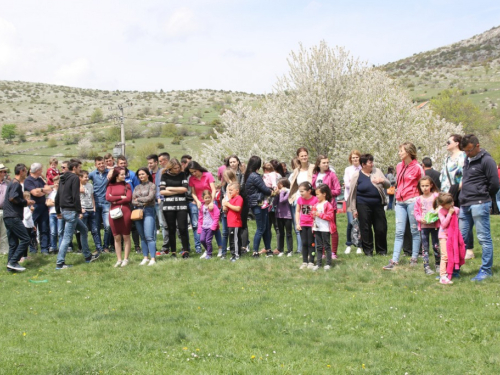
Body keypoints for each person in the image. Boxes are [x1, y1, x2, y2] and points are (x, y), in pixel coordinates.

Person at [458, 134, 499, 281]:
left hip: (480, 203)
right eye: (465, 151)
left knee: (483, 238)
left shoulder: (487, 160)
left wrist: (483, 195)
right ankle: (454, 270)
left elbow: (495, 184)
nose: (467, 153)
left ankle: (486, 270)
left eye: (469, 150)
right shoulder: (467, 160)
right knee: (460, 238)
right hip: (465, 204)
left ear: (477, 146)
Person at [384, 142, 423, 270]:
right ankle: (394, 260)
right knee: (399, 231)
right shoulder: (399, 166)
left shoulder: (417, 167)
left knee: (414, 230)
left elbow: (423, 183)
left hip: (412, 200)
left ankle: (414, 257)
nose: (399, 153)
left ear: (408, 152)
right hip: (400, 202)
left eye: (401, 150)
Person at [55, 160, 99, 270]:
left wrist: (58, 211)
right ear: (74, 168)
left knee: (84, 230)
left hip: (64, 210)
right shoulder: (74, 178)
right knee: (67, 237)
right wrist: (79, 211)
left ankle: (88, 256)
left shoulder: (62, 178)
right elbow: (75, 196)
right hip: (71, 211)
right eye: (79, 167)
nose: (80, 169)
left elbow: (57, 196)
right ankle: (60, 263)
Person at [439, 134, 474, 259]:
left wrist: (457, 188)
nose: (447, 144)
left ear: (457, 143)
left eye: (449, 141)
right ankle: (453, 246)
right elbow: (443, 176)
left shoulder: (464, 157)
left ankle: (468, 248)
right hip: (447, 192)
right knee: (450, 218)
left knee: (463, 219)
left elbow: (466, 175)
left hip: (459, 191)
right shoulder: (447, 159)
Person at [347, 154, 390, 257]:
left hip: (378, 204)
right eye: (370, 162)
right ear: (363, 164)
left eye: (372, 162)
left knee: (381, 228)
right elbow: (352, 193)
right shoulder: (357, 175)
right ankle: (368, 251)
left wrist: (382, 181)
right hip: (363, 204)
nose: (372, 164)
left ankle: (382, 251)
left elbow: (388, 184)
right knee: (365, 228)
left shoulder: (377, 171)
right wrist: (353, 209)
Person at [4, 164, 34, 272]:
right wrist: (26, 202)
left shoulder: (12, 182)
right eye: (26, 171)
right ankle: (13, 262)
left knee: (13, 243)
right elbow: (12, 198)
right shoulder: (16, 184)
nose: (26, 173)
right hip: (13, 217)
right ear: (21, 171)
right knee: (25, 239)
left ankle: (10, 266)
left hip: (7, 217)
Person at [187, 161, 221, 254]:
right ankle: (207, 249)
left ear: (198, 168)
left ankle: (220, 248)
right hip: (201, 204)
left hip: (211, 201)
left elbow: (213, 189)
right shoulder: (191, 179)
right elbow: (193, 193)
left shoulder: (208, 175)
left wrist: (212, 202)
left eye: (195, 171)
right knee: (203, 225)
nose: (194, 174)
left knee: (215, 226)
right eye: (191, 172)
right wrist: (197, 201)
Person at [312, 155, 341, 259]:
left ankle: (333, 252)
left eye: (327, 162)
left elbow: (338, 190)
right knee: (320, 228)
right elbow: (313, 191)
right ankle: (323, 252)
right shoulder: (315, 176)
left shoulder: (331, 175)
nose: (326, 164)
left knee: (332, 228)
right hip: (318, 206)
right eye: (324, 163)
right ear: (318, 164)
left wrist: (326, 193)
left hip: (329, 205)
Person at [160, 158, 190, 258]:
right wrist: (178, 190)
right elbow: (162, 191)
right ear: (170, 168)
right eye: (175, 168)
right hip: (168, 206)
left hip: (182, 205)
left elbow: (185, 189)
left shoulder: (182, 174)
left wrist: (169, 188)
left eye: (178, 167)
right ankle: (173, 252)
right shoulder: (164, 176)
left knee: (182, 228)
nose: (177, 169)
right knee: (171, 229)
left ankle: (186, 251)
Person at [245, 155, 273, 257]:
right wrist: (271, 191)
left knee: (265, 228)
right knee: (261, 228)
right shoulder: (255, 176)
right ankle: (255, 251)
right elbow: (265, 190)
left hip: (259, 204)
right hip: (258, 204)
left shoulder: (250, 175)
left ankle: (268, 249)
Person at [24, 163, 54, 255]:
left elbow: (48, 189)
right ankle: (33, 249)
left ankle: (45, 248)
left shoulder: (40, 179)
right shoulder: (28, 180)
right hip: (33, 207)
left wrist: (40, 190)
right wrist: (42, 191)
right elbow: (34, 193)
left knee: (44, 227)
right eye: (41, 170)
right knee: (33, 228)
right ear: (37, 171)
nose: (42, 171)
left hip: (43, 206)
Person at [288, 148, 315, 254]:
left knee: (309, 225)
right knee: (298, 225)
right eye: (302, 156)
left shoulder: (313, 168)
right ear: (298, 157)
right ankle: (300, 249)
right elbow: (293, 185)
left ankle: (312, 248)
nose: (304, 157)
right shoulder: (296, 171)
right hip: (298, 200)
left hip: (309, 200)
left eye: (305, 155)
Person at [413, 176, 441, 275]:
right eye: (422, 186)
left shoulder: (436, 196)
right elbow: (416, 212)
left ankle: (438, 265)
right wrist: (420, 219)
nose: (425, 188)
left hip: (435, 226)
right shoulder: (418, 199)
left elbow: (440, 208)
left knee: (436, 246)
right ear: (420, 187)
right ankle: (426, 266)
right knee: (425, 247)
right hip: (424, 226)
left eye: (427, 185)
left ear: (431, 185)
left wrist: (437, 215)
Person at [436, 193, 464, 285]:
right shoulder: (441, 211)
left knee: (453, 254)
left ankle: (450, 272)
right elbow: (443, 224)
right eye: (449, 203)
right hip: (444, 236)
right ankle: (443, 276)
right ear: (443, 205)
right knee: (445, 256)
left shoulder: (456, 209)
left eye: (452, 201)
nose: (451, 204)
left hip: (454, 236)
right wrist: (449, 214)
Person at [106, 167, 132, 267]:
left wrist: (115, 200)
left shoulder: (127, 185)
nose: (124, 176)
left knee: (126, 235)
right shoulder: (110, 185)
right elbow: (108, 197)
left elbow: (129, 198)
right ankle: (119, 259)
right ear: (116, 175)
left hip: (125, 211)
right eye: (122, 174)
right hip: (113, 212)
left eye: (124, 174)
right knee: (116, 236)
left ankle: (126, 258)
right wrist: (121, 197)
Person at [132, 168, 157, 266]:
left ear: (147, 174)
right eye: (139, 174)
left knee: (149, 236)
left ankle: (153, 258)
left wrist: (139, 199)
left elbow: (150, 198)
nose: (141, 176)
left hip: (148, 211)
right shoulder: (137, 187)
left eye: (143, 174)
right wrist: (143, 200)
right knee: (142, 236)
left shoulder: (152, 185)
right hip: (137, 211)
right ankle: (145, 257)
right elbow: (133, 200)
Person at [225, 155, 249, 252]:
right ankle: (236, 244)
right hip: (230, 201)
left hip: (241, 200)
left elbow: (242, 187)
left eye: (234, 162)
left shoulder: (242, 173)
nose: (232, 164)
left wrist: (243, 174)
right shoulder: (227, 173)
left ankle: (244, 245)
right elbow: (224, 187)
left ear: (238, 162)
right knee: (234, 224)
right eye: (230, 162)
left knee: (242, 223)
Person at [88, 156, 111, 252]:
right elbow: (82, 179)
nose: (101, 165)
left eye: (102, 163)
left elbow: (119, 169)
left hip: (106, 202)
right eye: (99, 164)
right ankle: (98, 247)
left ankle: (106, 246)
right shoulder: (93, 174)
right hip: (96, 203)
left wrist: (112, 170)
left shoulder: (109, 172)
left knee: (108, 226)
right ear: (95, 165)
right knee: (96, 227)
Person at [312, 184, 336, 271]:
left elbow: (330, 217)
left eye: (318, 194)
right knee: (318, 246)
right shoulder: (316, 204)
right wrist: (313, 214)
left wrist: (319, 214)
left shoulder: (328, 204)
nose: (316, 196)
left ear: (324, 194)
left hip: (325, 228)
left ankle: (328, 263)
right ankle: (318, 264)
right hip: (317, 228)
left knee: (327, 246)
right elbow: (313, 215)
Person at [343, 150, 362, 254]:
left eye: (357, 157)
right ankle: (349, 244)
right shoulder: (348, 169)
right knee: (351, 222)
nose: (355, 159)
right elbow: (347, 184)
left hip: (360, 197)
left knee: (360, 222)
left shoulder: (362, 169)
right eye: (353, 157)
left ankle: (360, 245)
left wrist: (353, 184)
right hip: (349, 198)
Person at [79, 170, 103, 254]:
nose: (87, 178)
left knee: (95, 230)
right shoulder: (77, 187)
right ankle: (85, 249)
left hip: (91, 210)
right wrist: (80, 209)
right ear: (80, 178)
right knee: (84, 231)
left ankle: (99, 248)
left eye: (87, 177)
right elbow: (76, 199)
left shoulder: (90, 185)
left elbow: (92, 197)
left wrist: (94, 207)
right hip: (83, 210)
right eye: (85, 177)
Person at [296, 181, 318, 269]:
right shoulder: (299, 200)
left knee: (311, 243)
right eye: (299, 191)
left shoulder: (315, 200)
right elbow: (297, 211)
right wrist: (297, 223)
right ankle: (305, 261)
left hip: (311, 225)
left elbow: (317, 212)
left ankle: (311, 261)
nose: (300, 193)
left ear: (309, 191)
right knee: (304, 243)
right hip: (302, 224)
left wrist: (315, 224)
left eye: (302, 191)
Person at [222, 183, 243, 262]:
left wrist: (228, 204)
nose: (230, 192)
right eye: (229, 190)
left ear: (237, 191)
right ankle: (233, 254)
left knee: (235, 240)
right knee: (231, 240)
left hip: (235, 223)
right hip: (230, 223)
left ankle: (236, 255)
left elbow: (238, 208)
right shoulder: (231, 199)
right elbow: (226, 210)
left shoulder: (239, 198)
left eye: (231, 190)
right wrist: (225, 204)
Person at [219, 169, 238, 258]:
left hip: (230, 211)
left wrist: (225, 203)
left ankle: (233, 252)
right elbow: (224, 197)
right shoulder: (225, 185)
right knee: (225, 232)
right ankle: (224, 253)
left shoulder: (234, 186)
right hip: (225, 210)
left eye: (225, 177)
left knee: (230, 233)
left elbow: (229, 198)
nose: (224, 179)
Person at [198, 190, 220, 259]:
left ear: (211, 197)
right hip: (204, 227)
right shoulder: (202, 207)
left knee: (208, 240)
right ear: (203, 198)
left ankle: (209, 254)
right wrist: (199, 227)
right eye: (206, 198)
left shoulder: (213, 206)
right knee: (202, 240)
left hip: (210, 227)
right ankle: (208, 250)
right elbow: (200, 217)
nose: (207, 199)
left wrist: (213, 226)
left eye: (209, 197)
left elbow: (217, 216)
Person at [156, 152, 171, 254]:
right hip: (163, 201)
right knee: (165, 225)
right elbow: (158, 185)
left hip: (173, 201)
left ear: (166, 161)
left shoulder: (175, 170)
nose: (160, 163)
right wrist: (159, 197)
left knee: (178, 226)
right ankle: (166, 247)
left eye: (161, 161)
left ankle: (184, 247)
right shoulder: (160, 172)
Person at [275, 178, 293, 256]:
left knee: (288, 233)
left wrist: (282, 192)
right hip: (279, 215)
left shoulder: (288, 192)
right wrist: (276, 194)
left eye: (279, 184)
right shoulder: (280, 192)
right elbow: (275, 202)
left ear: (283, 185)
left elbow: (282, 201)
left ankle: (290, 250)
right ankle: (281, 249)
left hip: (287, 215)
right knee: (281, 233)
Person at [46, 175, 61, 254]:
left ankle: (61, 247)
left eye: (58, 183)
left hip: (60, 213)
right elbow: (48, 203)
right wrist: (57, 203)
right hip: (52, 213)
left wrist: (54, 202)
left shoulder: (62, 192)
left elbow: (62, 203)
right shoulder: (52, 193)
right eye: (55, 183)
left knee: (60, 231)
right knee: (53, 232)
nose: (56, 185)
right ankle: (53, 247)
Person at [22, 191, 37, 256]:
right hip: (25, 226)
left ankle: (26, 254)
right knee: (25, 241)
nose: (29, 200)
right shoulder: (24, 208)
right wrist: (31, 211)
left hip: (29, 226)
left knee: (29, 240)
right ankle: (24, 255)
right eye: (27, 198)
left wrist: (33, 225)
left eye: (29, 198)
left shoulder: (28, 207)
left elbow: (30, 219)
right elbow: (26, 217)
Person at [0, 163, 10, 254]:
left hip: (4, 209)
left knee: (4, 232)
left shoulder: (7, 183)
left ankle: (4, 251)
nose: (5, 173)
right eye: (3, 171)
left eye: (5, 171)